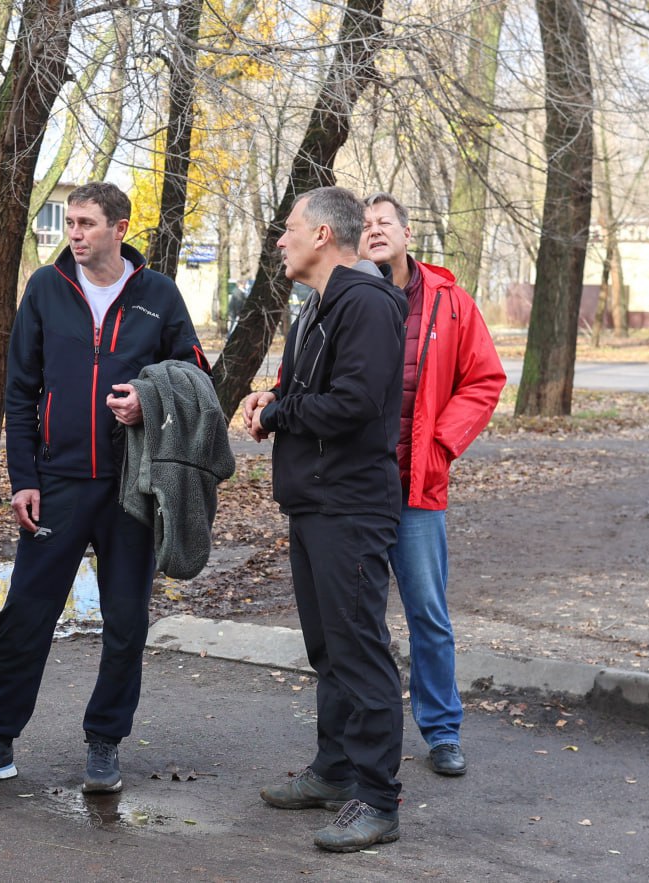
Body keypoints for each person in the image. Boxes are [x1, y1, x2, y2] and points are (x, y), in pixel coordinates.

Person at [0, 181, 209, 796]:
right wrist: (24, 479)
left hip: (132, 488)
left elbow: (196, 375)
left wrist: (148, 400)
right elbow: (20, 390)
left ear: (119, 228)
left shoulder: (158, 295)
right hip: (58, 484)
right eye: (70, 222)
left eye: (87, 223)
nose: (75, 233)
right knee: (25, 615)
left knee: (125, 621)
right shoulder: (46, 288)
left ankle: (104, 742)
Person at [241, 186, 408, 853]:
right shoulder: (315, 305)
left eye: (289, 228)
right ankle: (335, 772)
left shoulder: (365, 302)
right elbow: (309, 390)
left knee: (359, 649)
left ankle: (377, 799)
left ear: (321, 236)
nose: (280, 239)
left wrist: (281, 413)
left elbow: (355, 402)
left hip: (351, 507)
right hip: (314, 502)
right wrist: (271, 398)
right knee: (329, 649)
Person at [360, 192, 505, 776]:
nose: (374, 231)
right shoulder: (342, 295)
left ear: (407, 233)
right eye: (365, 224)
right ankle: (363, 733)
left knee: (428, 614)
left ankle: (443, 731)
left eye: (384, 222)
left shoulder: (449, 301)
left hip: (416, 487)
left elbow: (484, 379)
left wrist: (442, 444)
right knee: (359, 617)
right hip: (356, 488)